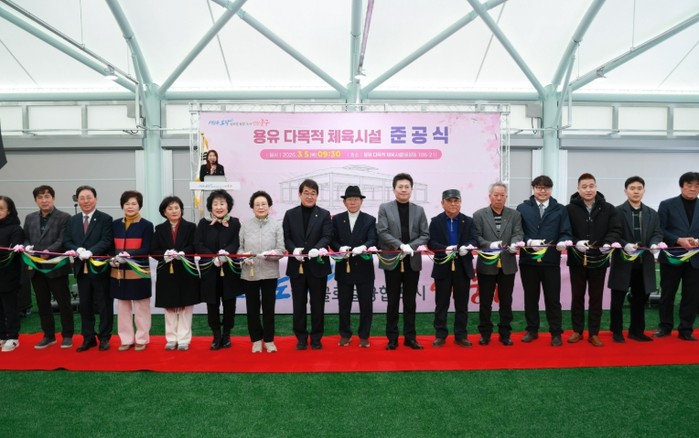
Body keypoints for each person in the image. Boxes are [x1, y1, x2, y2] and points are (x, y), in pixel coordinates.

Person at [516, 175, 572, 347]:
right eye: (539, 187)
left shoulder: (560, 209)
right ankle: (532, 330)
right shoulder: (523, 208)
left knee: (553, 299)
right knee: (530, 298)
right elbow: (517, 232)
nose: (542, 191)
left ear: (551, 189)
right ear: (533, 189)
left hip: (550, 261)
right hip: (528, 261)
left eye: (546, 188)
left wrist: (563, 241)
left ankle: (556, 332)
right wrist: (528, 241)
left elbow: (566, 231)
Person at [566, 173, 622, 347]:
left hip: (599, 259)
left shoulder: (608, 208)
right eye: (584, 187)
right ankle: (577, 331)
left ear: (596, 187)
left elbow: (616, 229)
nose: (588, 190)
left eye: (591, 186)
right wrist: (575, 242)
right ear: (578, 189)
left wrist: (608, 242)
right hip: (577, 259)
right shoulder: (569, 209)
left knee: (596, 298)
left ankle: (594, 333)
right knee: (577, 296)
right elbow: (565, 231)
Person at [377, 173, 430, 350]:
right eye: (400, 187)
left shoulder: (419, 210)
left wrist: (410, 246)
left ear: (411, 189)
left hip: (412, 260)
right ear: (394, 189)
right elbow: (382, 232)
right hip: (392, 259)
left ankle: (410, 337)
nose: (403, 190)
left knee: (410, 301)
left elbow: (425, 234)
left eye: (407, 187)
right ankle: (392, 338)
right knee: (392, 301)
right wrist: (400, 245)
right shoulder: (385, 208)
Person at [608, 176, 663, 343]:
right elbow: (613, 233)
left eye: (639, 188)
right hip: (623, 261)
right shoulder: (616, 211)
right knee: (617, 299)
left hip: (643, 263)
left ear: (644, 191)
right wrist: (624, 244)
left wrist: (654, 244)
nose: (636, 191)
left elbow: (657, 232)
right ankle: (617, 331)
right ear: (625, 191)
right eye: (632, 188)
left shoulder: (651, 213)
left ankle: (636, 331)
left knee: (640, 298)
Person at [283, 179, 333, 350]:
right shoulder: (290, 214)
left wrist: (316, 249)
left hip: (317, 266)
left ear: (317, 195)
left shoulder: (324, 214)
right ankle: (301, 337)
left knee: (318, 304)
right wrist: (293, 250)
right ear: (300, 194)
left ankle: (317, 337)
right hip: (297, 266)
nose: (310, 196)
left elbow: (327, 236)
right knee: (299, 304)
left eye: (313, 193)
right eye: (306, 193)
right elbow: (286, 237)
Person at [63, 185, 114, 352]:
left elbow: (106, 240)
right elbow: (67, 240)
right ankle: (88, 337)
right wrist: (77, 249)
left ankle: (104, 337)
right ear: (77, 200)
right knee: (85, 305)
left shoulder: (105, 219)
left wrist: (91, 251)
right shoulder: (72, 220)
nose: (86, 201)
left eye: (89, 197)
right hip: (81, 270)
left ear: (96, 199)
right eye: (82, 198)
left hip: (100, 269)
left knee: (104, 304)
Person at [23, 185, 74, 349]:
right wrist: (27, 247)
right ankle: (49, 335)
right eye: (40, 197)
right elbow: (25, 238)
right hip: (36, 267)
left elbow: (63, 240)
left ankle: (67, 335)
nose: (44, 200)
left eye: (47, 196)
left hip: (56, 267)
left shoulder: (64, 217)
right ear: (35, 200)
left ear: (53, 198)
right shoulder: (30, 218)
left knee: (64, 303)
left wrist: (49, 251)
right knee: (42, 303)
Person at [473, 182, 524, 346]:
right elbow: (476, 237)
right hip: (487, 263)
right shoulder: (479, 215)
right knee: (485, 301)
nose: (499, 198)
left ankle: (505, 333)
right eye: (496, 195)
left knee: (506, 301)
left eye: (502, 195)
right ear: (490, 196)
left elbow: (518, 233)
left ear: (506, 196)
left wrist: (515, 243)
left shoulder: (515, 215)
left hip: (507, 263)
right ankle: (485, 333)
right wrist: (490, 245)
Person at [428, 189, 477, 347]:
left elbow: (474, 239)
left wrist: (467, 246)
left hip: (462, 266)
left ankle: (461, 335)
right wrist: (445, 249)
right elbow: (431, 242)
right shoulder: (436, 221)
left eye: (456, 201)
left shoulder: (468, 221)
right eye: (449, 201)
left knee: (462, 304)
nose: (453, 204)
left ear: (460, 203)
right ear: (442, 203)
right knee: (441, 303)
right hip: (443, 266)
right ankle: (440, 335)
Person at [330, 186, 378, 348]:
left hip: (364, 267)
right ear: (344, 202)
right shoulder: (337, 219)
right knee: (344, 304)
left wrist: (364, 246)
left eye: (356, 199)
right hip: (344, 266)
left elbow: (373, 239)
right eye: (349, 199)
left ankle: (364, 336)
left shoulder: (369, 219)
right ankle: (345, 334)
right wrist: (339, 247)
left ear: (361, 201)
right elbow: (332, 239)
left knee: (366, 304)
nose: (352, 202)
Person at [195, 189, 242, 350]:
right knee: (212, 304)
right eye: (215, 204)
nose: (219, 207)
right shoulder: (203, 223)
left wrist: (225, 254)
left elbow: (237, 242)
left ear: (228, 206)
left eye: (222, 203)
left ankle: (227, 334)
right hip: (209, 270)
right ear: (210, 206)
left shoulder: (235, 223)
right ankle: (216, 335)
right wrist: (213, 257)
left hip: (229, 269)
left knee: (229, 303)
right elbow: (198, 244)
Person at [152, 196, 200, 351]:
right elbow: (153, 250)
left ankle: (184, 339)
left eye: (177, 208)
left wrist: (183, 252)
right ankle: (171, 338)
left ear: (181, 209)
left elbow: (195, 246)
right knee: (169, 306)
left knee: (186, 306)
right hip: (167, 271)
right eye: (170, 208)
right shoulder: (159, 229)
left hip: (186, 270)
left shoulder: (191, 227)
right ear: (164, 212)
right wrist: (165, 254)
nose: (174, 211)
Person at [655, 171, 699, 341]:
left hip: (695, 259)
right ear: (681, 186)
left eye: (697, 186)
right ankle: (665, 327)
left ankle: (686, 329)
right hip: (672, 257)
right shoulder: (667, 205)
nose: (693, 188)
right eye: (689, 185)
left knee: (691, 296)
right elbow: (660, 229)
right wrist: (678, 240)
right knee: (668, 294)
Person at [239, 191, 285, 353]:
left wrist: (269, 255)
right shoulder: (245, 225)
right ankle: (256, 340)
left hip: (269, 272)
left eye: (264, 204)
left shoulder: (276, 225)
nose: (260, 207)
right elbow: (239, 248)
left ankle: (269, 340)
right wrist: (243, 257)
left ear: (269, 206)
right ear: (252, 207)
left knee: (268, 308)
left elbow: (281, 249)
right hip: (249, 272)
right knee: (252, 309)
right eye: (257, 204)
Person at [110, 191, 154, 352]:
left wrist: (129, 255)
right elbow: (110, 246)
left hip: (139, 273)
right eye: (127, 203)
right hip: (119, 273)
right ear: (122, 205)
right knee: (123, 309)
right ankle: (126, 339)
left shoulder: (146, 225)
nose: (130, 207)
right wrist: (113, 258)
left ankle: (142, 339)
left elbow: (146, 248)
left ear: (139, 206)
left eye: (134, 203)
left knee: (141, 308)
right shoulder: (115, 224)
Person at [0, 196, 24, 352]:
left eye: (1, 208)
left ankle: (13, 337)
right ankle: (2, 335)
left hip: (9, 274)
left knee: (10, 307)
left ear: (9, 210)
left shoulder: (16, 229)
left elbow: (12, 251)